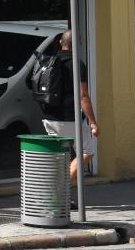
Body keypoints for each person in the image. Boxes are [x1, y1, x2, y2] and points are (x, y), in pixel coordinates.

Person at [33, 30, 98, 180]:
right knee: (87, 151)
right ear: (78, 43)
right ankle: (61, 188)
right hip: (70, 117)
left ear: (61, 43)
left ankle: (58, 192)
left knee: (59, 155)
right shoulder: (76, 64)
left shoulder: (49, 61)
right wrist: (93, 123)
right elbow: (83, 96)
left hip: (49, 117)